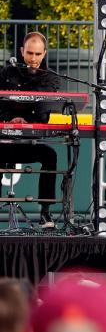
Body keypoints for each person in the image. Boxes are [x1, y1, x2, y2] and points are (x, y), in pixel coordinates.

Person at [0, 31, 61, 228]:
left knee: (50, 155)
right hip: (6, 140)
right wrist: (12, 118)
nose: (33, 58)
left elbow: (42, 109)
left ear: (44, 54)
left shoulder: (50, 78)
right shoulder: (7, 73)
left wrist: (24, 118)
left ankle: (45, 213)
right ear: (21, 52)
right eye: (29, 53)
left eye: (37, 54)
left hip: (31, 142)